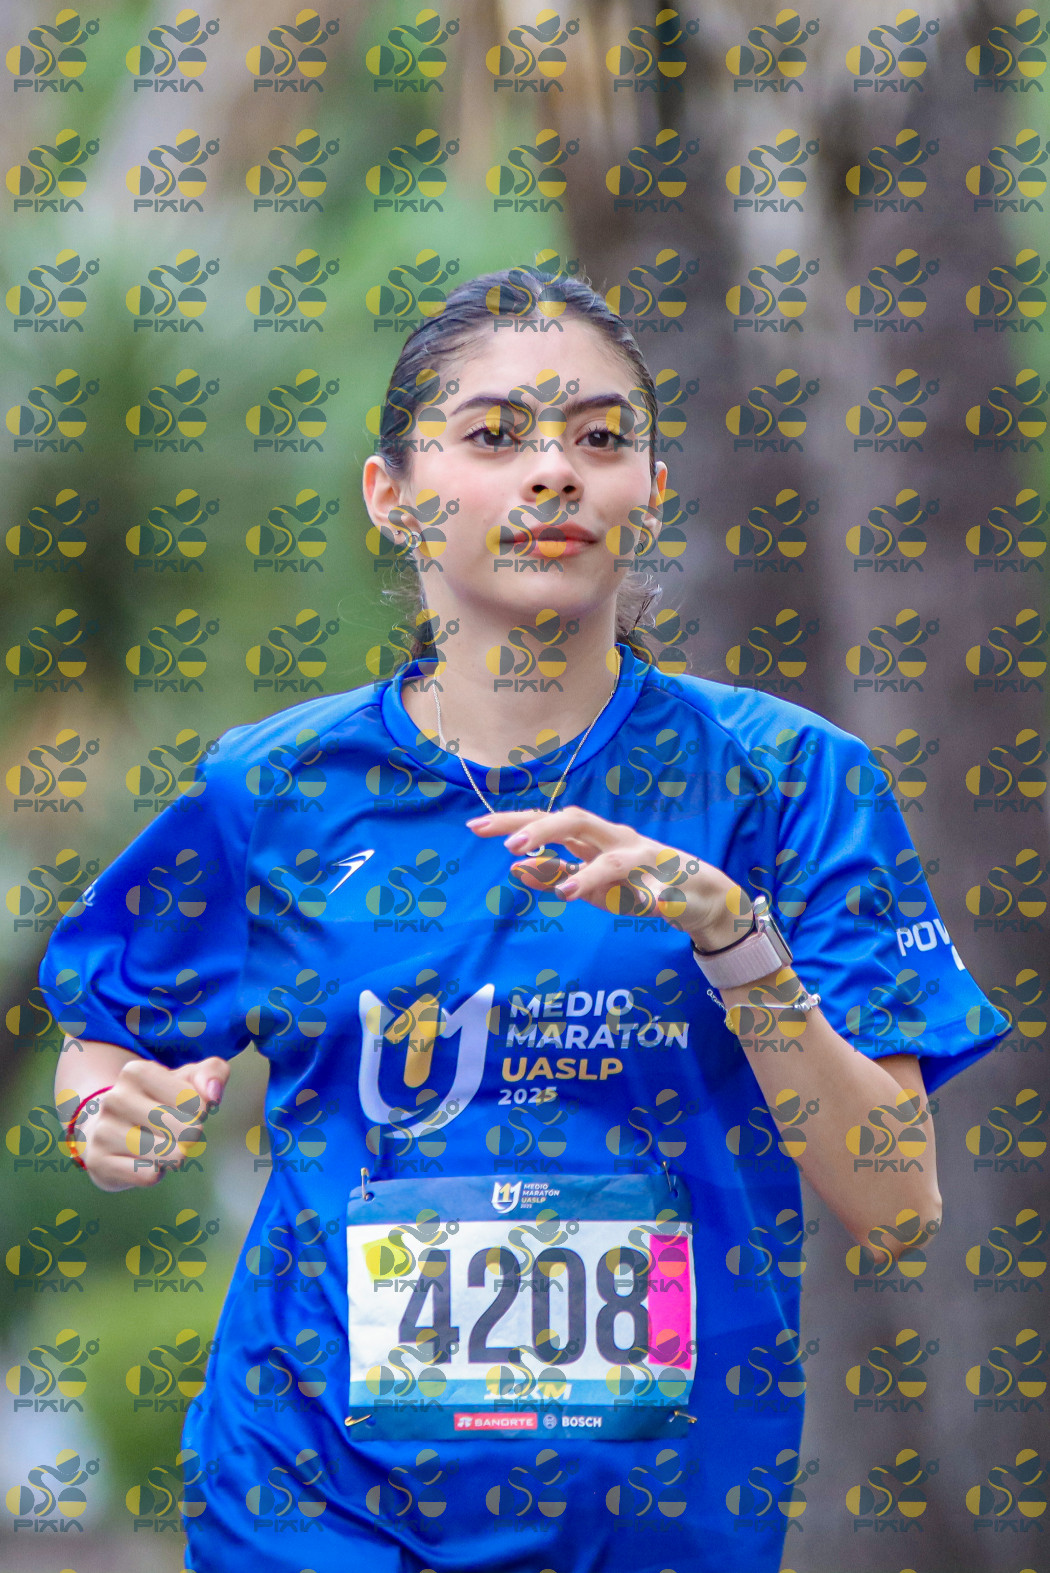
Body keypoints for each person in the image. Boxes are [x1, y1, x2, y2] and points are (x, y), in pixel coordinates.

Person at [40, 266, 1009, 1573]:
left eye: (600, 438)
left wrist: (732, 937)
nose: (554, 472)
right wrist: (105, 1110)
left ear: (649, 488)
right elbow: (104, 1039)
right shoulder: (271, 790)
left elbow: (896, 1203)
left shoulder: (789, 781)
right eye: (495, 435)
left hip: (654, 1525)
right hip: (310, 1507)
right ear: (392, 494)